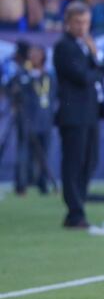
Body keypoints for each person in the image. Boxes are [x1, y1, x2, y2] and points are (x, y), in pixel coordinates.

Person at [53, 1, 104, 228]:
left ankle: (78, 206)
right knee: (74, 163)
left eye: (86, 22)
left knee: (90, 161)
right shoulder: (64, 47)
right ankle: (75, 212)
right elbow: (82, 77)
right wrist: (97, 69)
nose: (82, 27)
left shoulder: (88, 45)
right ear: (68, 23)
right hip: (73, 113)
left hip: (91, 113)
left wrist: (96, 57)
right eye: (77, 22)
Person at [7, 45, 55, 195]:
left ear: (43, 56)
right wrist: (26, 73)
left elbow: (53, 96)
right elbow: (12, 88)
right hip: (27, 119)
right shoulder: (23, 74)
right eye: (31, 54)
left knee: (44, 153)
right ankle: (21, 185)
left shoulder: (48, 76)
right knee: (24, 152)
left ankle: (42, 183)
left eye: (37, 54)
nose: (34, 57)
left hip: (45, 119)